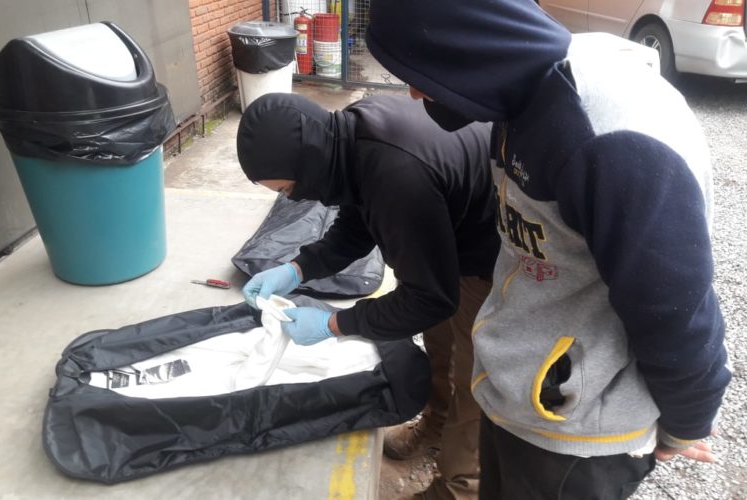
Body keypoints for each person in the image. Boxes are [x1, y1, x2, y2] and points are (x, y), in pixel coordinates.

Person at [365, 1, 732, 499]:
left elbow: (674, 305)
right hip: (517, 389)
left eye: (416, 74)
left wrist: (688, 419)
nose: (414, 92)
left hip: (574, 432)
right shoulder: (520, 89)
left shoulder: (609, 139)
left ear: (461, 45)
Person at [237, 92, 499, 499]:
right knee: (439, 341)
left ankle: (460, 487)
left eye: (288, 188)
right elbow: (357, 227)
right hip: (449, 230)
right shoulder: (348, 140)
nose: (291, 198)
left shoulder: (396, 174)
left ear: (307, 163)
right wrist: (296, 269)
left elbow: (430, 298)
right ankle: (435, 426)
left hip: (490, 252)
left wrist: (334, 323)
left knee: (474, 378)